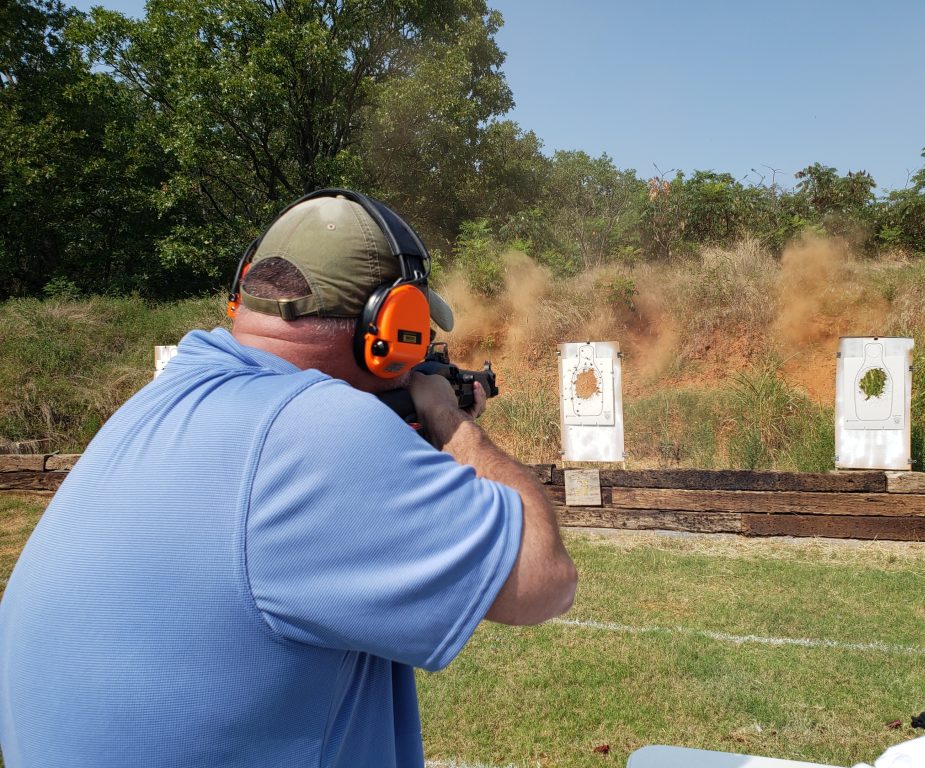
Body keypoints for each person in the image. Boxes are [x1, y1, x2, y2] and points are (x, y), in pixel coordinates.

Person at [0, 190, 577, 768]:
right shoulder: (317, 429)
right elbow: (544, 580)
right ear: (390, 323)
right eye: (418, 333)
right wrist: (449, 422)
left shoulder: (161, 399)